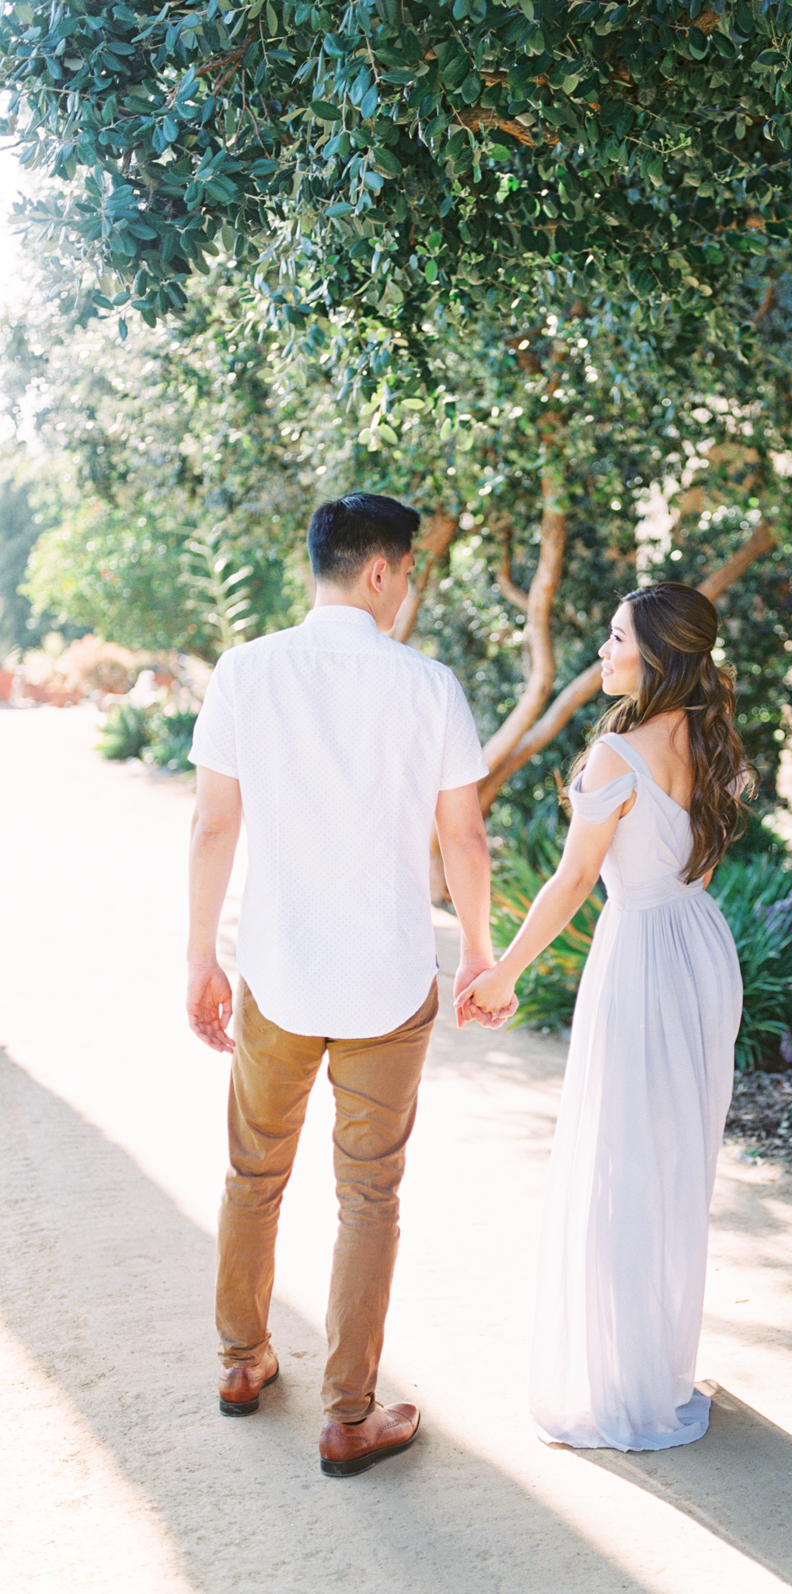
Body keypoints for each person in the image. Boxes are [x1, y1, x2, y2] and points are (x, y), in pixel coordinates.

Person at [186, 492, 513, 1478]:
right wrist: (481, 953)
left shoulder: (246, 671)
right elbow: (463, 836)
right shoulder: (428, 685)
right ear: (380, 571)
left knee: (255, 1174)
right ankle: (349, 1413)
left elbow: (212, 825)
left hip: (279, 974)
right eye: (407, 571)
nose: (407, 589)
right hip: (387, 976)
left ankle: (243, 1364)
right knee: (369, 1196)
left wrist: (200, 957)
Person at [457, 581, 749, 1451]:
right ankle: (654, 1366)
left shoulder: (618, 753)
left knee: (625, 1165)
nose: (603, 651)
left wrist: (502, 973)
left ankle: (626, 1387)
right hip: (703, 947)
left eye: (616, 637)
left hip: (647, 955)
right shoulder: (709, 733)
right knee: (675, 1164)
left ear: (655, 652)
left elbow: (574, 880)